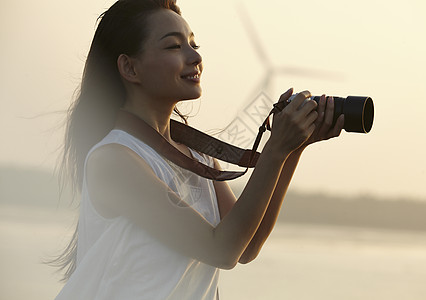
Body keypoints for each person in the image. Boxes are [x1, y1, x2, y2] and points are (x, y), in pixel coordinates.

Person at [52, 0, 344, 299]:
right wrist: (275, 150)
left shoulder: (196, 156)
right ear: (130, 67)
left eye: (193, 44)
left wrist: (293, 149)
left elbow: (247, 245)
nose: (195, 56)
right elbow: (221, 250)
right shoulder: (115, 158)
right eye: (174, 47)